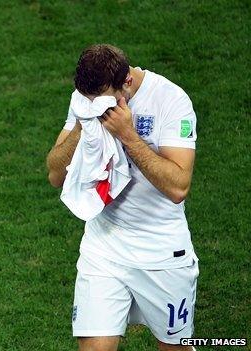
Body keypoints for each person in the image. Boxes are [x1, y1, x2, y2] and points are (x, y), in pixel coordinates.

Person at [46, 44, 199, 351]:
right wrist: (81, 124)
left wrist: (128, 135)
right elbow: (55, 175)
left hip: (161, 254)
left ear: (127, 82)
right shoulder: (88, 100)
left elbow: (178, 187)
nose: (96, 108)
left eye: (102, 103)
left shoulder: (171, 100)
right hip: (103, 249)